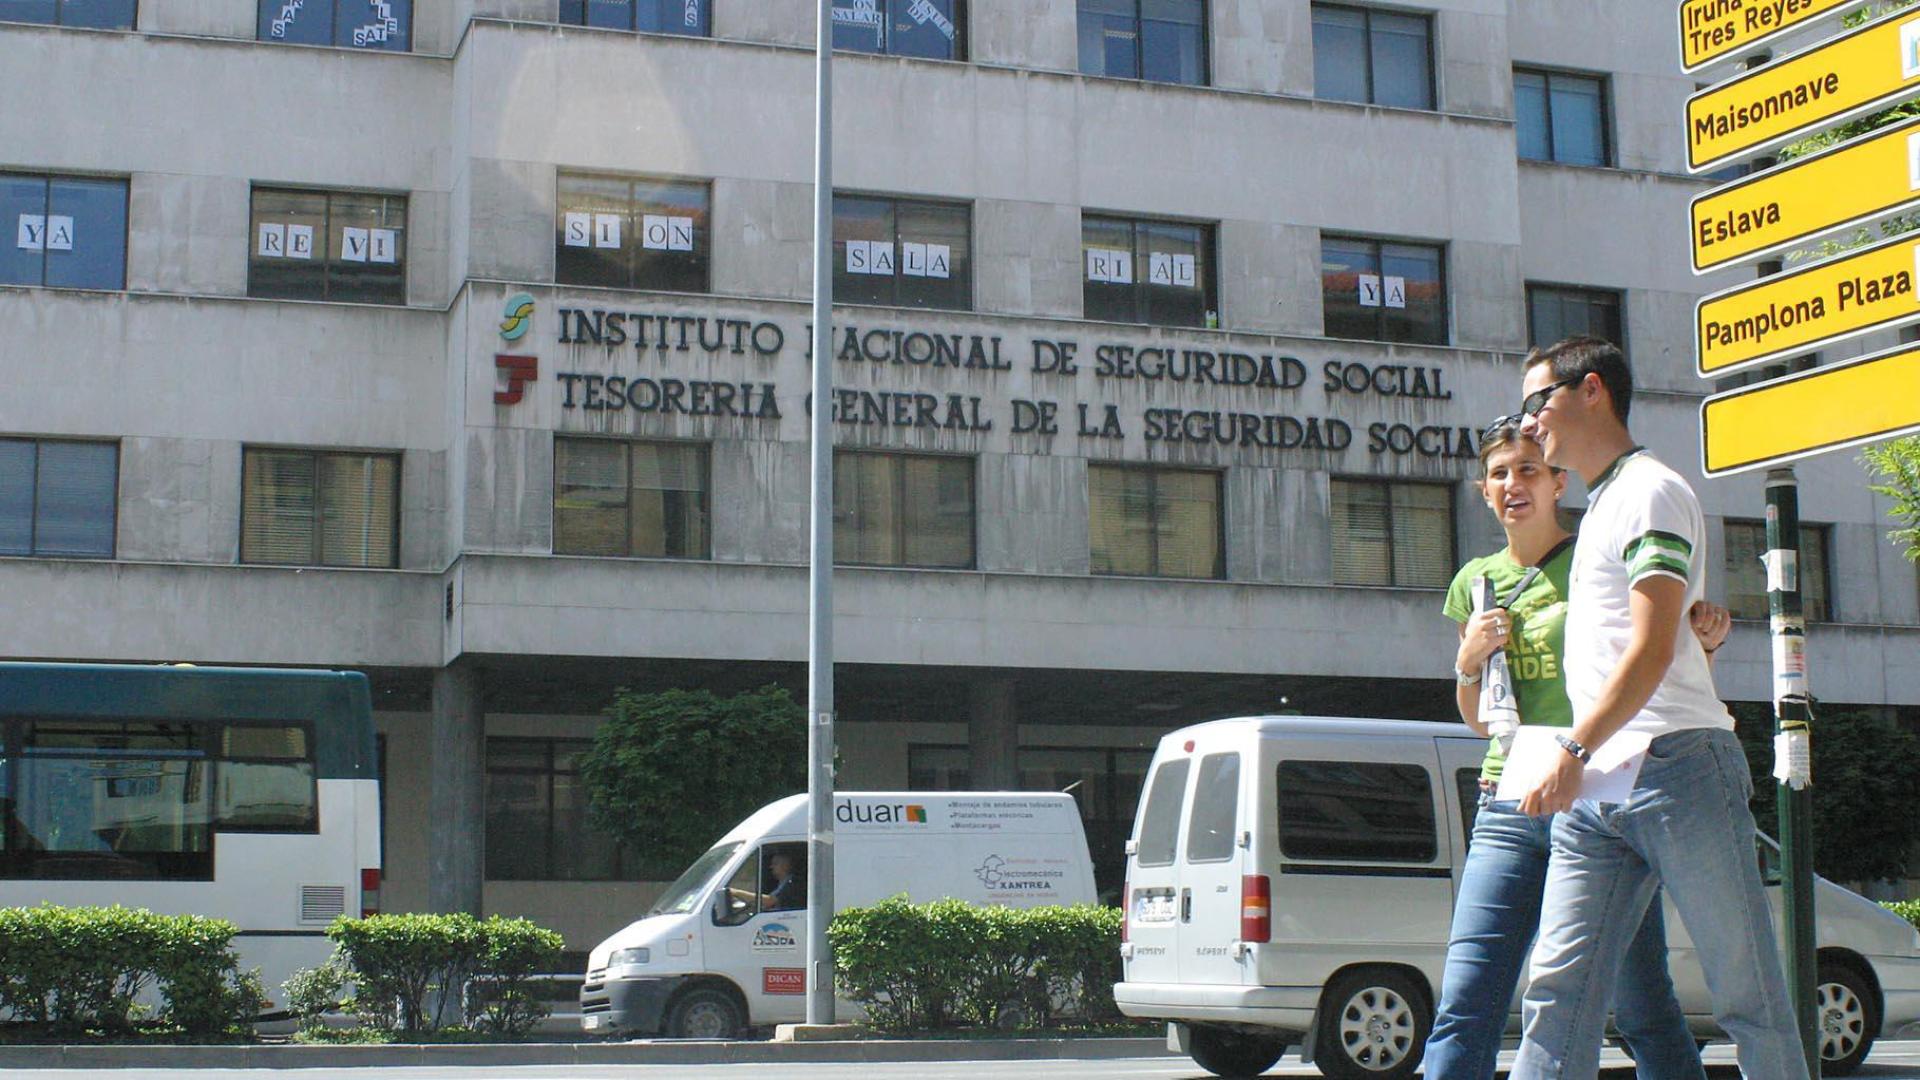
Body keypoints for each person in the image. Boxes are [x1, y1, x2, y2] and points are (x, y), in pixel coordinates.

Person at [1510, 336, 1808, 1080]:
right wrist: (1582, 758)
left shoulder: (1651, 491)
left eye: (1536, 401)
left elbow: (1649, 650)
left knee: (1748, 993)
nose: (1529, 421)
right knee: (1558, 993)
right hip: (1601, 781)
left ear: (1592, 391)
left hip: (1678, 768)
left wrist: (1571, 752)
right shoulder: (1605, 503)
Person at [1420, 418, 1723, 1080]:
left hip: (1599, 799)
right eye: (1499, 474)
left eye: (1528, 469)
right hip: (1508, 799)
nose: (1513, 485)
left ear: (1559, 482)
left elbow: (1650, 647)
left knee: (1642, 1008)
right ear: (1483, 491)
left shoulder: (1595, 559)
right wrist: (1467, 661)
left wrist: (1700, 640)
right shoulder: (1475, 581)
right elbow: (1479, 721)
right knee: (1466, 1002)